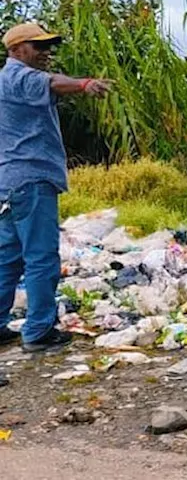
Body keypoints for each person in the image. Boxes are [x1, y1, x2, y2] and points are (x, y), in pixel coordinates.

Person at [0, 22, 111, 356]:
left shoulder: (6, 80)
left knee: (8, 259)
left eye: (48, 46)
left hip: (10, 183)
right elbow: (52, 82)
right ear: (17, 49)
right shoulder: (18, 77)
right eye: (38, 46)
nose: (46, 52)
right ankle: (38, 332)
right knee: (42, 258)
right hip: (31, 181)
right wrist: (84, 84)